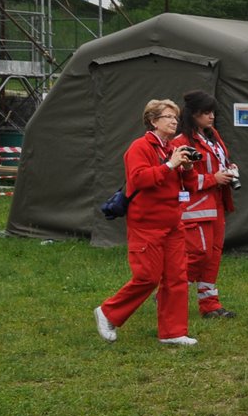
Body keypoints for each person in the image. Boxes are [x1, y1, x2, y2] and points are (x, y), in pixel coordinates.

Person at [94, 99, 198, 346]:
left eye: (176, 117)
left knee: (176, 277)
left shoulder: (172, 147)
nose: (174, 121)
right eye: (168, 117)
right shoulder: (140, 147)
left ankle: (173, 332)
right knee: (147, 277)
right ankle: (108, 312)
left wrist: (188, 167)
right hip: (147, 224)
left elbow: (190, 186)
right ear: (153, 121)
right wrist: (170, 165)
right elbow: (139, 179)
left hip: (173, 223)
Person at [177, 90, 239, 319]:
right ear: (193, 114)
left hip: (217, 203)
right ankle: (171, 291)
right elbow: (184, 178)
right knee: (197, 254)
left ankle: (210, 305)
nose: (211, 117)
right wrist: (215, 178)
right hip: (195, 207)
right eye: (206, 113)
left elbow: (222, 160)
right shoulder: (181, 142)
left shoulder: (212, 135)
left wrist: (230, 170)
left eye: (212, 112)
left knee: (213, 256)